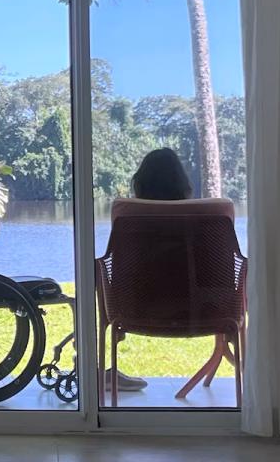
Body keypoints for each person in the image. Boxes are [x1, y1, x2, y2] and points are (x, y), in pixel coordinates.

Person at [105, 147, 192, 393]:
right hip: (199, 312)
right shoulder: (203, 215)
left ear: (140, 183)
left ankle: (94, 366)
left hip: (134, 310)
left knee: (93, 269)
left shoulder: (128, 215)